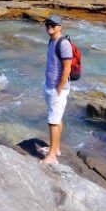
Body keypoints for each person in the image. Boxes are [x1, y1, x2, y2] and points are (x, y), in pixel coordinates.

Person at [41, 15, 72, 165]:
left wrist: (59, 88)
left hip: (57, 89)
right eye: (47, 24)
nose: (49, 27)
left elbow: (67, 68)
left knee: (53, 121)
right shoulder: (51, 41)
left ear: (60, 27)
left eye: (53, 25)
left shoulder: (63, 43)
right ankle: (55, 148)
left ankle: (52, 156)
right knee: (56, 118)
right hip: (50, 85)